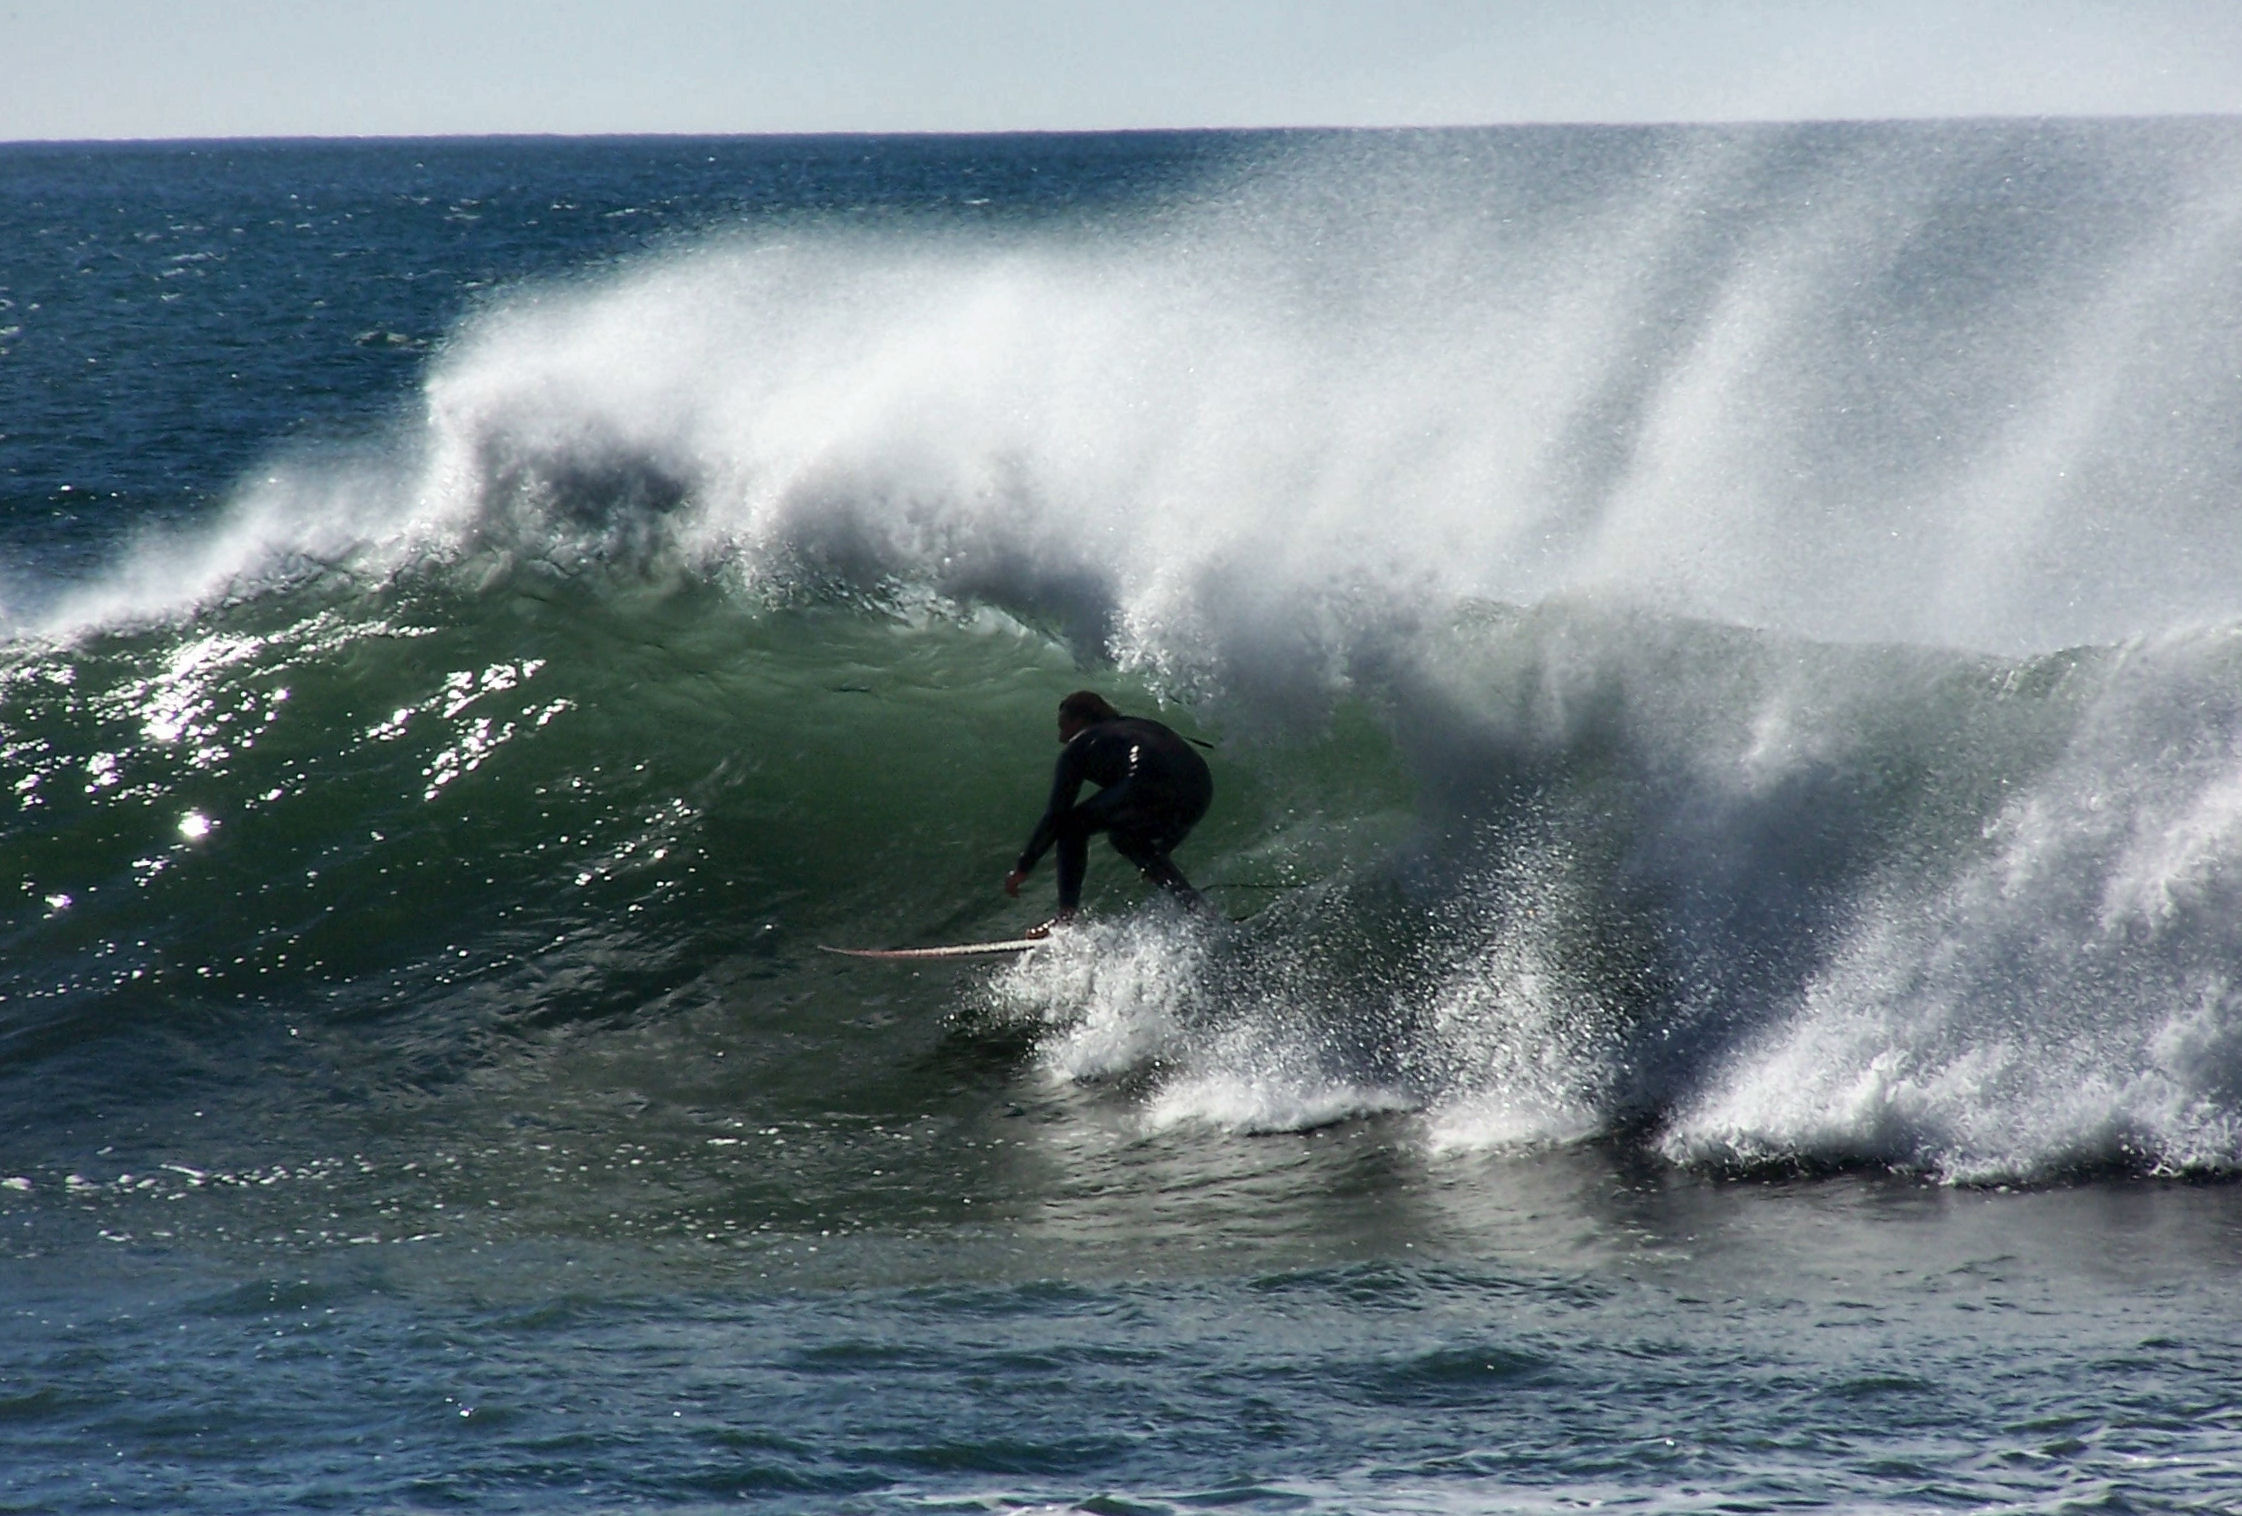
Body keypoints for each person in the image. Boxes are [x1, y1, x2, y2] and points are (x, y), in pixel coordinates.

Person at [1003, 690, 1213, 934]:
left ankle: (1065, 918)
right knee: (1126, 838)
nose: (1062, 737)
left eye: (1064, 727)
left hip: (1149, 782)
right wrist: (1162, 850)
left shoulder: (1080, 744)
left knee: (1072, 826)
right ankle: (1197, 910)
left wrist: (1023, 868)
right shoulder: (1138, 725)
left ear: (1080, 721)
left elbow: (1056, 815)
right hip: (1200, 788)